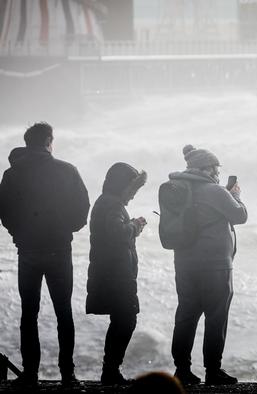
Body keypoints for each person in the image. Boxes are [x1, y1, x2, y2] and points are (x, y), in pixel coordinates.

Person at [0, 122, 90, 386]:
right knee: (63, 312)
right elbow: (81, 207)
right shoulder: (67, 170)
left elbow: (3, 210)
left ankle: (30, 374)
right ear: (49, 141)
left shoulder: (12, 174)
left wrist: (18, 233)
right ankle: (67, 375)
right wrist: (67, 228)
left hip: (27, 250)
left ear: (27, 143)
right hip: (59, 248)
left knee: (29, 313)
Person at [168, 145, 247, 385]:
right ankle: (213, 370)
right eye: (216, 168)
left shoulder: (177, 188)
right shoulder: (214, 191)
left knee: (186, 316)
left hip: (184, 264)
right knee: (216, 317)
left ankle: (182, 370)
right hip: (215, 266)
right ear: (208, 168)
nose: (218, 173)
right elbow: (240, 216)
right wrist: (235, 195)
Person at [86, 163, 147, 385]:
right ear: (122, 186)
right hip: (115, 274)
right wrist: (135, 225)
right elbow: (117, 233)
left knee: (122, 319)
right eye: (131, 190)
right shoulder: (112, 204)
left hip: (111, 271)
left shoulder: (108, 202)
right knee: (126, 319)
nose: (132, 195)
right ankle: (110, 371)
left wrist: (131, 224)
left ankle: (110, 370)